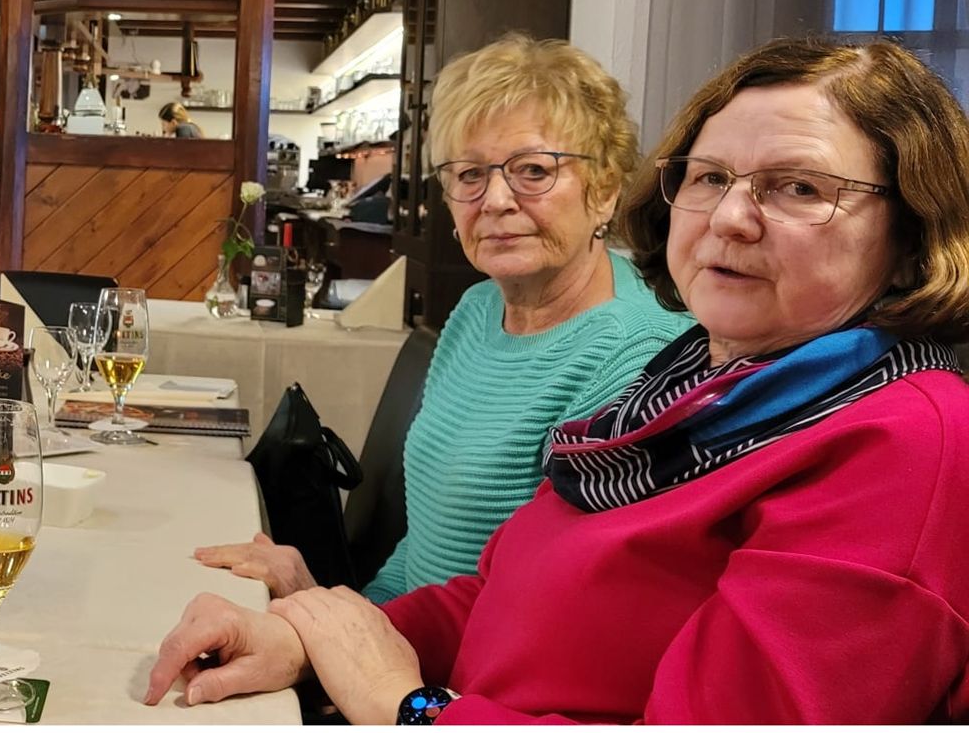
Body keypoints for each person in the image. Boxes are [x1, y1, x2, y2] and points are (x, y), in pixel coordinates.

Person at [147, 36, 969, 723]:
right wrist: (308, 638)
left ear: (912, 238)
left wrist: (408, 704)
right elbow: (497, 590)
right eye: (710, 176)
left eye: (800, 187)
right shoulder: (695, 376)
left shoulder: (903, 447)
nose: (729, 216)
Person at [196, 35, 687, 602]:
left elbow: (554, 609)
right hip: (408, 633)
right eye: (469, 174)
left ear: (604, 191)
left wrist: (324, 615)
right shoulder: (478, 309)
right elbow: (423, 543)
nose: (495, 199)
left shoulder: (639, 356)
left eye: (533, 170)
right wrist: (353, 609)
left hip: (476, 657)